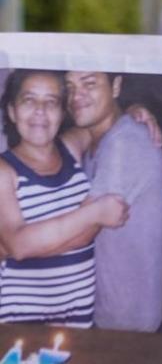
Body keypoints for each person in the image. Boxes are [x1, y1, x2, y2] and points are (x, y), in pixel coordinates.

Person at [0, 69, 128, 328]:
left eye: (51, 102)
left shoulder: (71, 147)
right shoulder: (4, 170)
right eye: (29, 100)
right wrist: (94, 214)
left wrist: (134, 111)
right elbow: (18, 244)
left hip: (78, 318)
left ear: (62, 112)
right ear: (12, 112)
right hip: (22, 319)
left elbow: (107, 119)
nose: (40, 110)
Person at [63, 70, 162, 331]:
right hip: (104, 310)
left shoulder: (125, 143)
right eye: (70, 86)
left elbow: (78, 234)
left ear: (116, 85)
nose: (76, 95)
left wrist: (13, 243)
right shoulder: (100, 138)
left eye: (89, 83)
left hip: (125, 323)